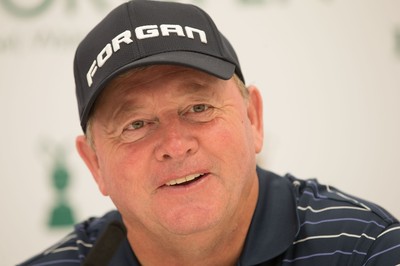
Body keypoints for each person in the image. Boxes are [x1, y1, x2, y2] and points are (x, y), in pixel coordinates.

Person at [20, 1, 400, 265]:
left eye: (198, 108)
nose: (175, 144)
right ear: (95, 162)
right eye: (136, 124)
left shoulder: (366, 250)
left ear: (253, 119)